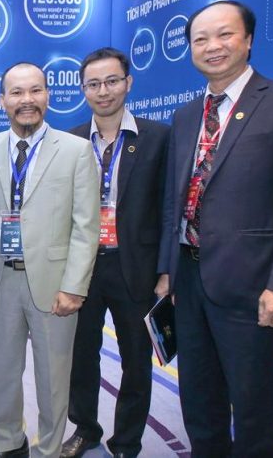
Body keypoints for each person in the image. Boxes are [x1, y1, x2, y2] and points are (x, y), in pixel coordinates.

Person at [158, 0, 273, 456]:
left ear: (249, 40)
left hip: (251, 285)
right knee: (199, 399)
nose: (212, 46)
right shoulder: (185, 116)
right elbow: (174, 202)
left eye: (224, 34)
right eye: (200, 39)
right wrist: (168, 271)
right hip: (188, 280)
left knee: (253, 406)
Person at [0, 62, 99, 458]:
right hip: (2, 281)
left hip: (54, 284)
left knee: (53, 379)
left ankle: (48, 449)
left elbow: (86, 226)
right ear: (2, 100)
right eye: (16, 92)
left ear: (48, 95)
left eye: (35, 90)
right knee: (4, 374)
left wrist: (74, 286)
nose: (26, 100)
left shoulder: (77, 150)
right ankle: (8, 444)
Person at [60, 48, 169, 458]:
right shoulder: (68, 141)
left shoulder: (158, 138)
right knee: (80, 357)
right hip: (82, 267)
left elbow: (169, 209)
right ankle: (85, 429)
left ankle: (126, 443)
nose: (103, 91)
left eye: (111, 81)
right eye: (93, 84)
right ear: (83, 89)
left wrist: (166, 270)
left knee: (136, 361)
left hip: (134, 267)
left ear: (128, 82)